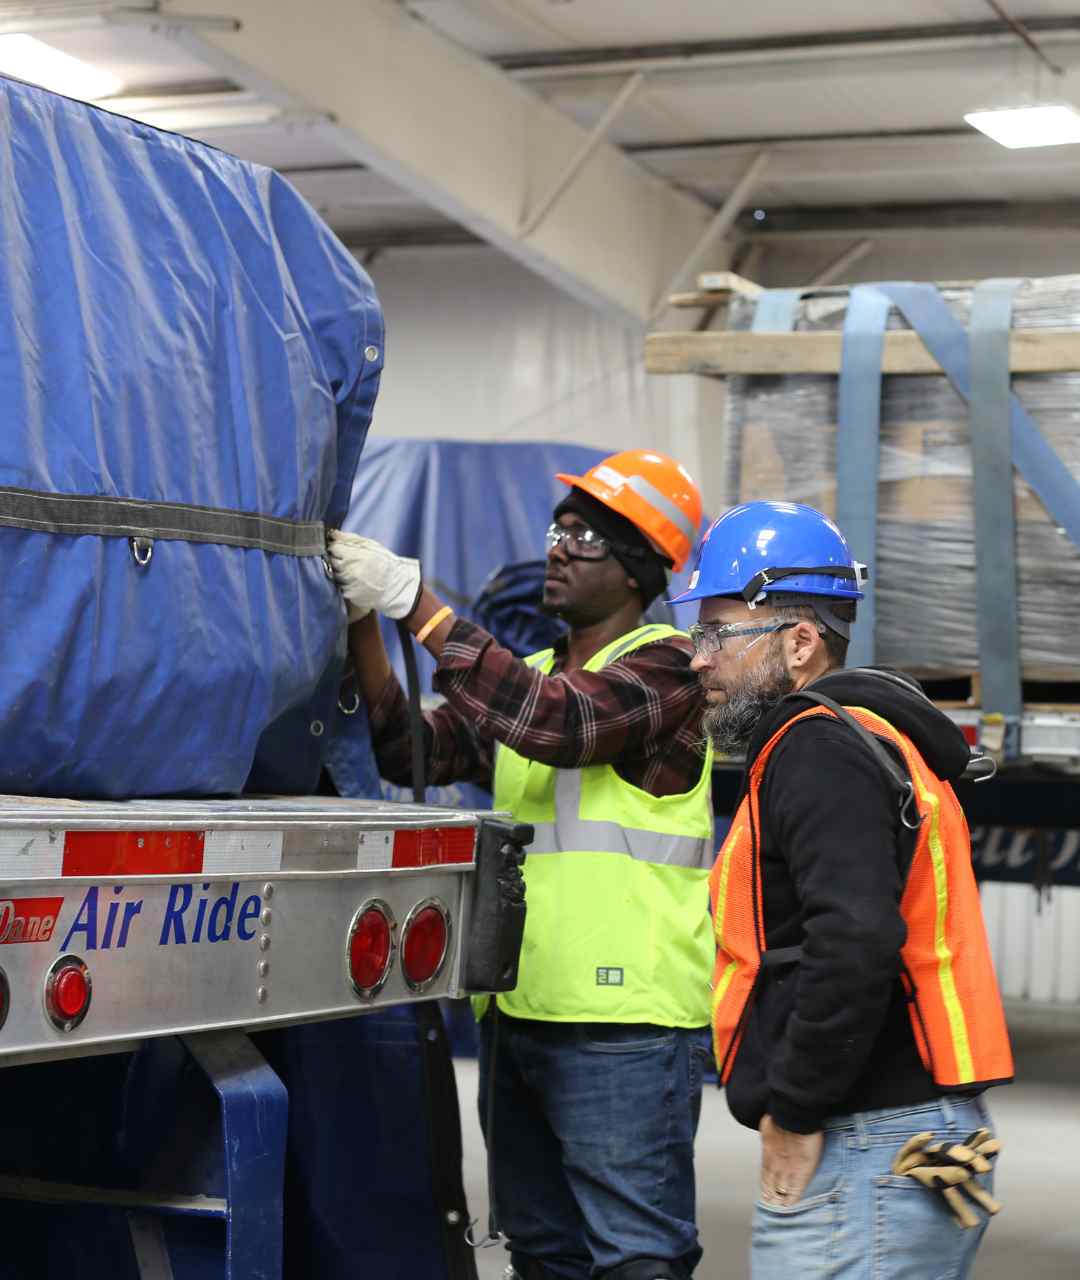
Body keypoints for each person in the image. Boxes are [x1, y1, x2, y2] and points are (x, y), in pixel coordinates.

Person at [327, 450, 716, 1280]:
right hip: (521, 1016)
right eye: (558, 530)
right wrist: (365, 621)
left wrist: (422, 609)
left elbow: (562, 727)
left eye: (585, 537)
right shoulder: (536, 676)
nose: (559, 548)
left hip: (627, 1030)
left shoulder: (669, 671)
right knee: (541, 1252)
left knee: (636, 1258)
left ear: (640, 569)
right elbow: (410, 752)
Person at [671, 499, 1014, 1280]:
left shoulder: (816, 749)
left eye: (718, 633)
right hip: (897, 1132)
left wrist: (795, 1107)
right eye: (700, 633)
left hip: (863, 1140)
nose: (698, 657)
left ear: (798, 643)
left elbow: (854, 939)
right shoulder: (856, 737)